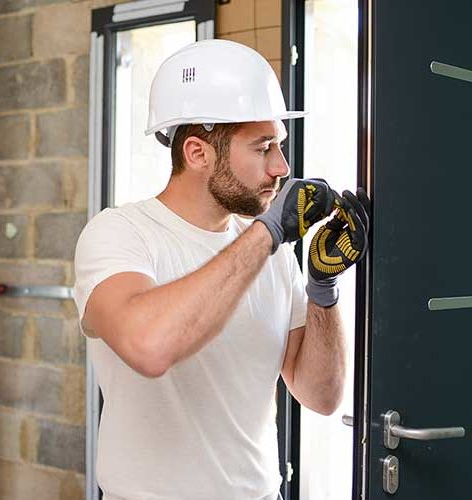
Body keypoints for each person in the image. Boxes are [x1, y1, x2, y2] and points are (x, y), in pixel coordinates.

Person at [73, 39, 369, 500]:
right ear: (197, 153)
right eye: (263, 147)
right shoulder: (121, 235)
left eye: (280, 146)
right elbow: (150, 346)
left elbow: (321, 396)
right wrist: (269, 232)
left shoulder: (268, 249)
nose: (282, 167)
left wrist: (321, 287)